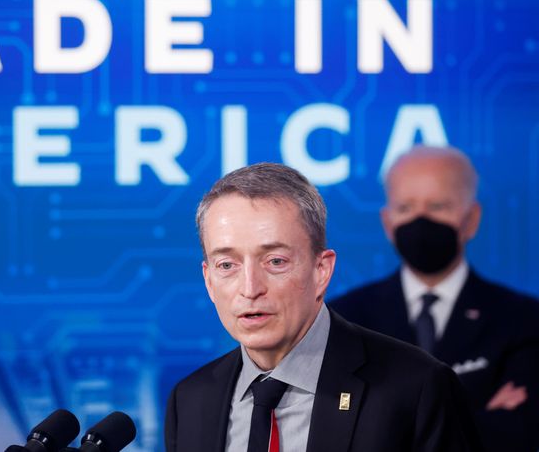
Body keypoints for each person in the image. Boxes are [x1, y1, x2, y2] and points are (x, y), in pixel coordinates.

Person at [165, 162, 482, 452]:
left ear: (321, 271)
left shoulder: (417, 389)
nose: (250, 288)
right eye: (227, 265)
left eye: (275, 261)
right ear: (208, 281)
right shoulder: (190, 401)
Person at [330, 145, 539, 452]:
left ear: (472, 219)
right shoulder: (344, 319)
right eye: (405, 208)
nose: (420, 220)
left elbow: (516, 434)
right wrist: (474, 418)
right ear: (387, 222)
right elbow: (338, 432)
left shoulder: (524, 320)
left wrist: (391, 424)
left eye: (438, 206)